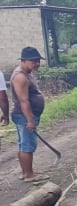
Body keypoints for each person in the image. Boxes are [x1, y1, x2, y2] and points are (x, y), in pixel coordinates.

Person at [10, 47, 49, 182]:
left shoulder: (27, 72)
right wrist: (30, 120)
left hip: (24, 115)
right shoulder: (20, 76)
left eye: (38, 60)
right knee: (27, 145)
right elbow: (23, 101)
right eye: (33, 61)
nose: (37, 63)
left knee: (23, 144)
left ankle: (25, 172)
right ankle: (29, 174)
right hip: (23, 115)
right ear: (24, 60)